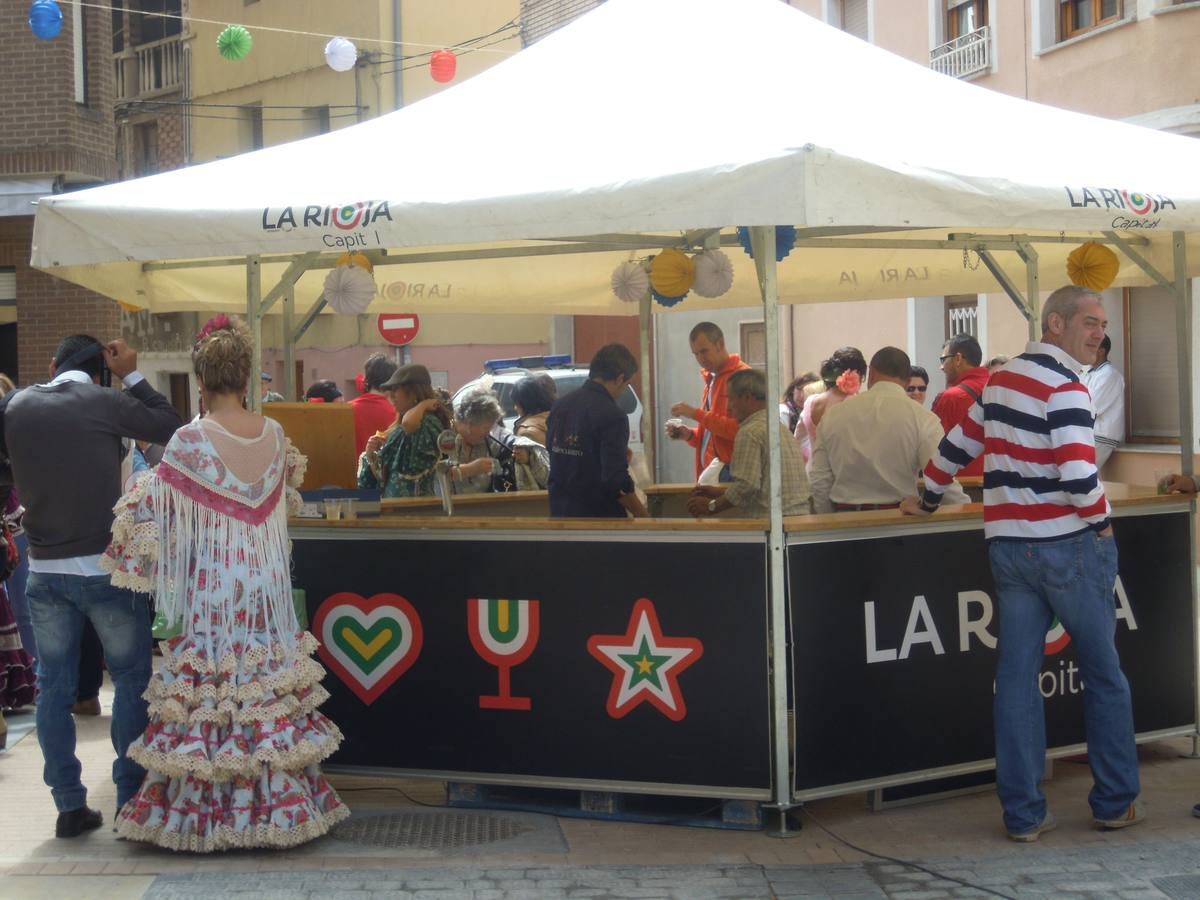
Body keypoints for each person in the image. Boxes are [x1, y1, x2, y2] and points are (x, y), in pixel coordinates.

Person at [902, 285, 1142, 842]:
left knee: (1015, 681)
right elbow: (1080, 477)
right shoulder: (1067, 387)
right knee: (1105, 677)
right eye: (1090, 322)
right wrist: (1103, 522)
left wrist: (930, 497)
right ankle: (1115, 803)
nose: (1099, 333)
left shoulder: (1001, 381)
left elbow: (953, 449)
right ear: (1055, 324)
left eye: (1103, 323)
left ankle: (1024, 814)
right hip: (1071, 546)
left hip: (1009, 549)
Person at [102, 316, 347, 851]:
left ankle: (209, 816)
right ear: (245, 377)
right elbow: (280, 502)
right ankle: (276, 806)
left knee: (214, 691)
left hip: (213, 584)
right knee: (263, 683)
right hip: (263, 584)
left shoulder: (190, 441)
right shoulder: (275, 434)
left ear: (202, 380)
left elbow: (153, 506)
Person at [5, 334, 181, 837]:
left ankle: (68, 805)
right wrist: (131, 373)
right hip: (108, 570)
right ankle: (128, 800)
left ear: (53, 362)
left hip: (44, 571)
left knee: (51, 690)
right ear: (100, 368)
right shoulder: (106, 403)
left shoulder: (15, 405)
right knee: (130, 681)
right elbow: (171, 426)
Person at [809, 347, 955, 513]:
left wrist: (828, 521)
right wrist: (966, 509)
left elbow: (820, 481)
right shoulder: (923, 418)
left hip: (845, 519)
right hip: (899, 520)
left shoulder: (833, 416)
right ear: (907, 381)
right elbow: (940, 474)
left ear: (871, 375)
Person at [688, 369, 811, 518]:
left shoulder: (749, 432)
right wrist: (722, 493)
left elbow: (746, 487)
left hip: (773, 526)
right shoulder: (779, 429)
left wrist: (711, 506)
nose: (728, 407)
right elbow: (762, 488)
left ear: (747, 398)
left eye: (730, 399)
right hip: (797, 521)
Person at [548, 343, 648, 518]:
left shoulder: (559, 407)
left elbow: (554, 453)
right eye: (627, 384)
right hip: (599, 520)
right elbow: (615, 479)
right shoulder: (613, 416)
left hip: (560, 513)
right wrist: (644, 517)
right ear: (619, 378)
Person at [665, 323, 751, 484]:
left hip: (733, 472)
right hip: (716, 472)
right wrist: (690, 435)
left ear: (720, 344)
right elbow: (713, 435)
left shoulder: (742, 376)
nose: (700, 359)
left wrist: (696, 414)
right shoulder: (712, 379)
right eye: (695, 354)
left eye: (704, 351)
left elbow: (742, 431)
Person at [358, 364, 451, 498]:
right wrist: (370, 453)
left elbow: (408, 424)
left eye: (395, 390)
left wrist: (423, 404)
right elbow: (384, 476)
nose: (391, 396)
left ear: (413, 392)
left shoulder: (427, 422)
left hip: (417, 510)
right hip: (395, 508)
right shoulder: (402, 425)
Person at [446, 390, 549, 493]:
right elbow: (436, 474)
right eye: (485, 428)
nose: (488, 433)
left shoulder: (489, 443)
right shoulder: (445, 439)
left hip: (483, 506)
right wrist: (470, 469)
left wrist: (525, 456)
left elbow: (511, 449)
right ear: (469, 423)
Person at [796, 347, 866, 465]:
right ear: (857, 374)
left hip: (813, 470)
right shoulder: (855, 404)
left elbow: (797, 440)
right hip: (843, 473)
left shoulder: (810, 402)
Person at [932, 334, 989, 477]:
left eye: (943, 359)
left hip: (963, 487)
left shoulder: (949, 398)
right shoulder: (999, 389)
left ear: (958, 359)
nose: (941, 367)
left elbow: (933, 448)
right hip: (1000, 490)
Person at [1082, 335, 1125, 469]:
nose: (1085, 350)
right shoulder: (1089, 373)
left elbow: (1091, 407)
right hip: (1089, 434)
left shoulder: (1109, 375)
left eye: (1090, 347)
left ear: (1101, 351)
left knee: (1083, 475)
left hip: (1101, 436)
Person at [350, 353, 399, 455]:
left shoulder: (347, 409)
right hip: (385, 470)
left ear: (367, 379)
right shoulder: (398, 412)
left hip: (350, 469)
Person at [512, 375, 555, 446]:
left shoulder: (526, 432)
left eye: (516, 403)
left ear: (523, 404)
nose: (515, 408)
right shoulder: (557, 417)